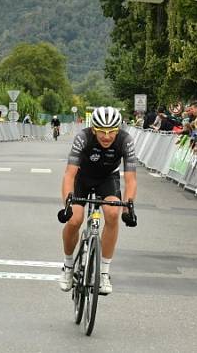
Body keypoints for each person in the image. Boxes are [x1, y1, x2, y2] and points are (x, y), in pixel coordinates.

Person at [59, 107, 136, 295]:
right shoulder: (83, 138)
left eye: (111, 132)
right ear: (94, 129)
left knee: (112, 214)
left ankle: (103, 273)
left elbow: (130, 179)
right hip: (81, 177)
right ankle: (68, 267)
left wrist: (128, 208)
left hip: (107, 179)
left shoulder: (125, 141)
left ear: (118, 130)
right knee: (75, 220)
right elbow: (69, 175)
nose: (107, 136)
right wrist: (67, 204)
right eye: (102, 131)